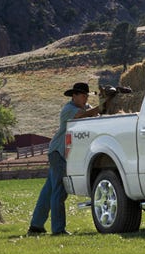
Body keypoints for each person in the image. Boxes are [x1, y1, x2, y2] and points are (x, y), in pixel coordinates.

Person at [28, 82, 103, 236]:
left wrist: (101, 107)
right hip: (59, 153)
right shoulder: (69, 110)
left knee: (49, 191)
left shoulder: (85, 108)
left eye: (86, 96)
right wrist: (103, 105)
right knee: (59, 191)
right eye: (83, 95)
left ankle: (36, 225)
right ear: (74, 96)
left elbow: (94, 114)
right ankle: (58, 229)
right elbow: (82, 116)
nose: (85, 98)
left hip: (60, 154)